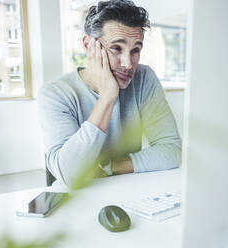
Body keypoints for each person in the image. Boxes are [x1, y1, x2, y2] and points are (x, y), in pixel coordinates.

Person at [38, 0, 182, 189]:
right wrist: (107, 97)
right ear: (88, 45)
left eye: (135, 50)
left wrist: (110, 167)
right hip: (79, 199)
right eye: (116, 48)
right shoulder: (55, 93)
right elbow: (69, 174)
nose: (128, 64)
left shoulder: (144, 78)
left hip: (128, 190)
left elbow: (172, 151)